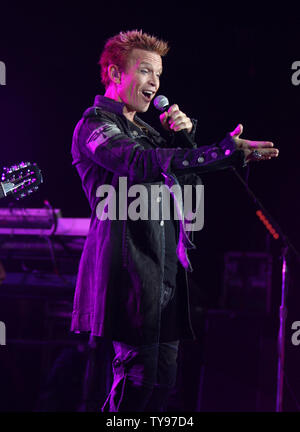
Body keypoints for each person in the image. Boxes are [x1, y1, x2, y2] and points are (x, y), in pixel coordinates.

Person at [70, 30, 279, 412]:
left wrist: (187, 141)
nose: (155, 83)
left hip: (165, 271)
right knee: (137, 381)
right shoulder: (95, 125)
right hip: (129, 272)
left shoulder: (151, 132)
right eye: (146, 71)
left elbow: (188, 194)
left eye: (159, 74)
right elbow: (137, 164)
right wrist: (223, 152)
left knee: (163, 385)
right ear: (116, 74)